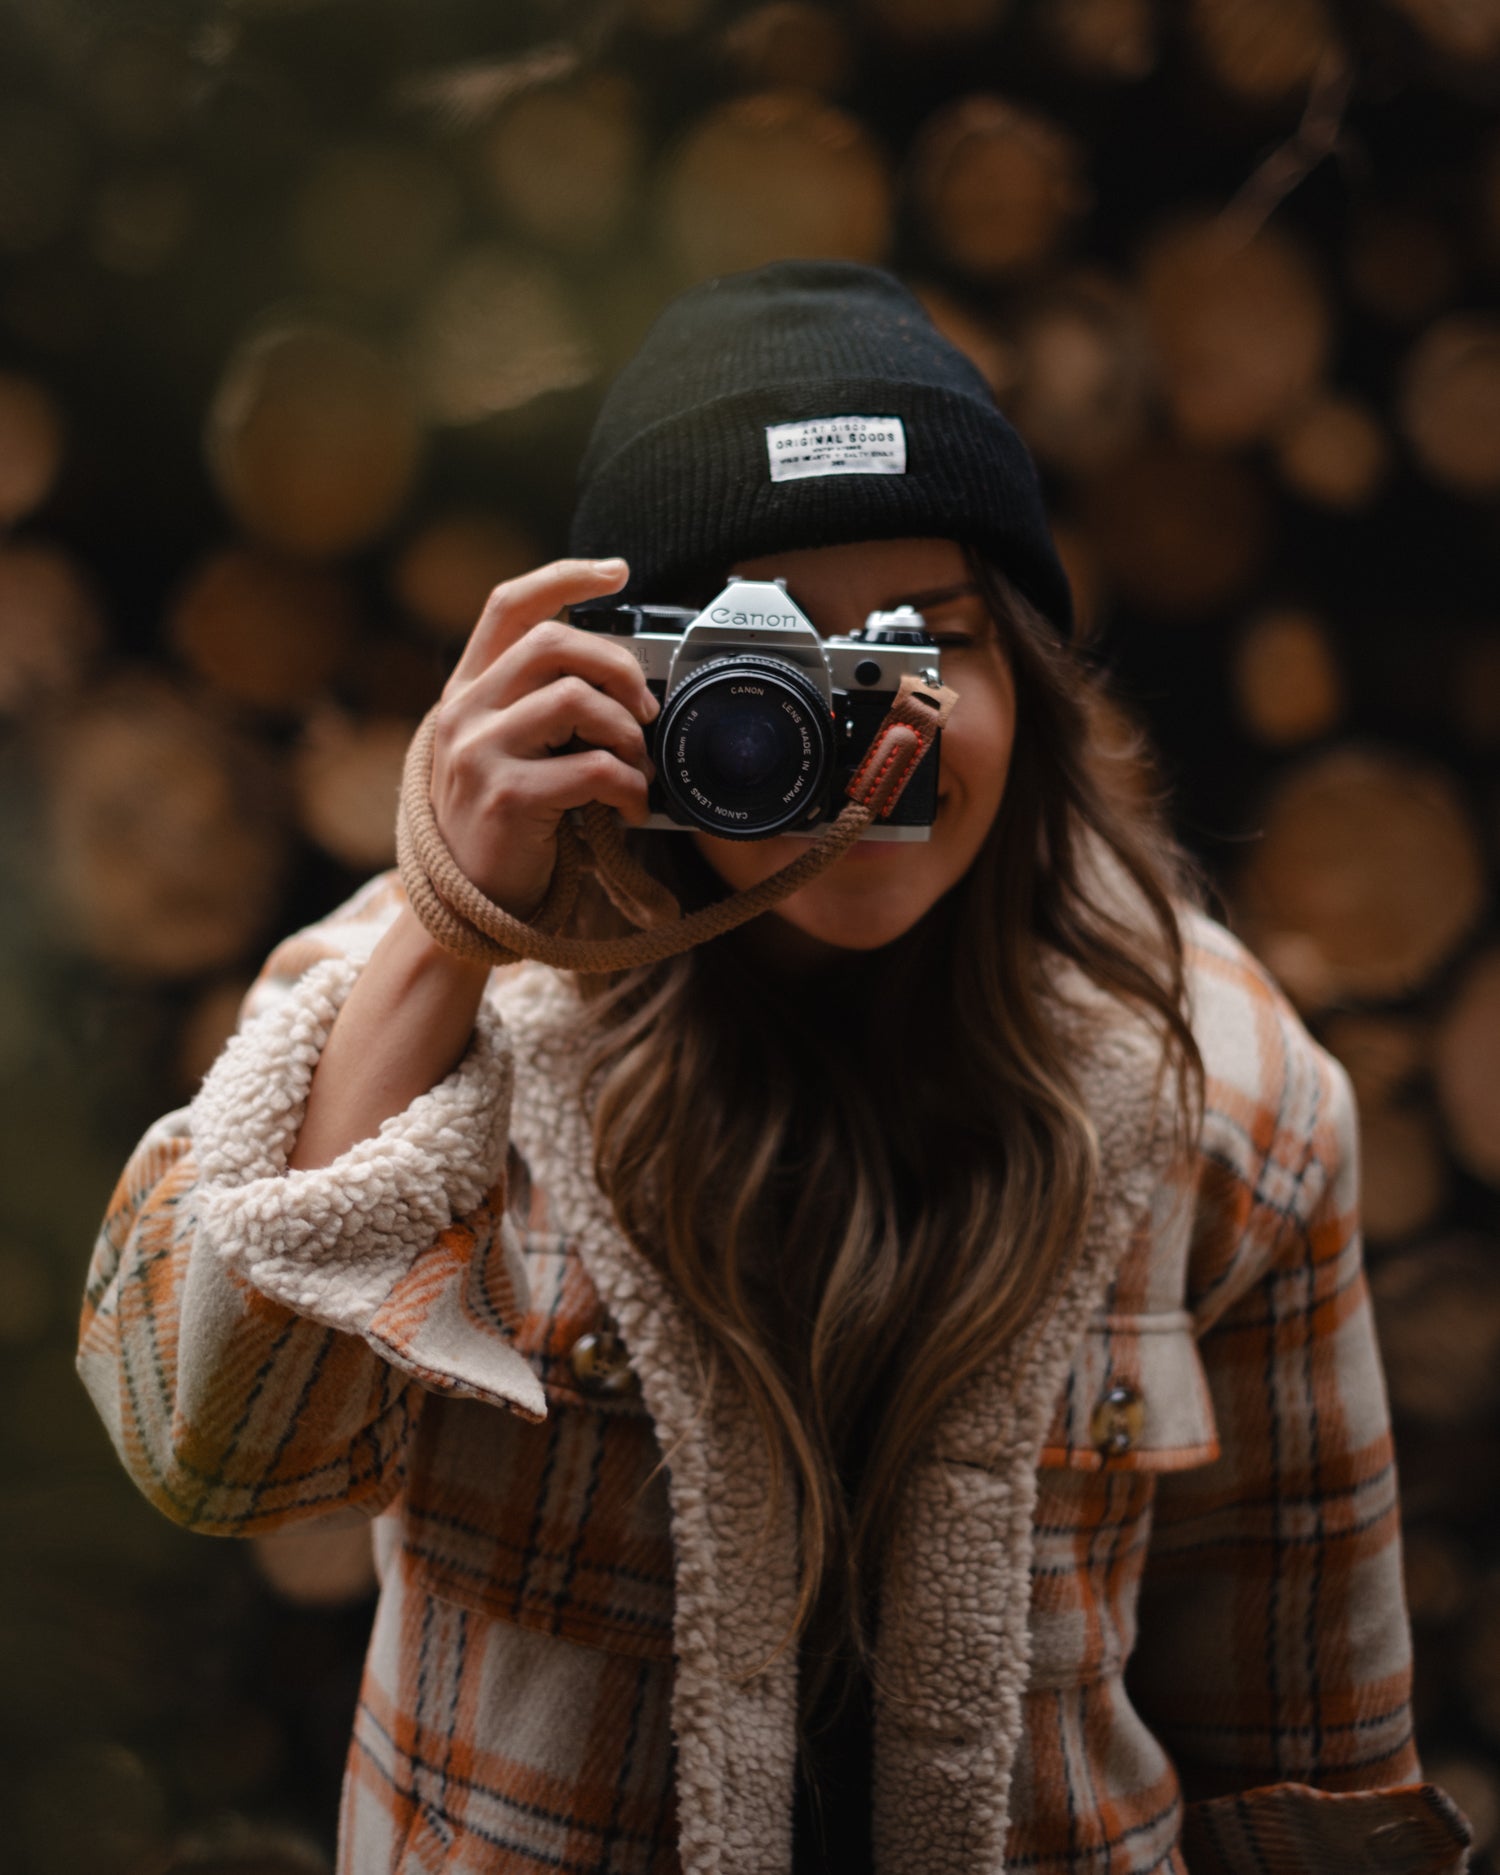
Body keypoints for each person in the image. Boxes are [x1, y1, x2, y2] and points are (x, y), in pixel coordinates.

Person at [77, 261, 1471, 1875]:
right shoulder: (431, 1004)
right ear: (625, 690)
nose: (842, 727)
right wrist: (452, 926)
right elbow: (209, 1450)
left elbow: (1307, 1758)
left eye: (923, 644)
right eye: (766, 662)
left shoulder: (1226, 1087)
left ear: (1023, 671)